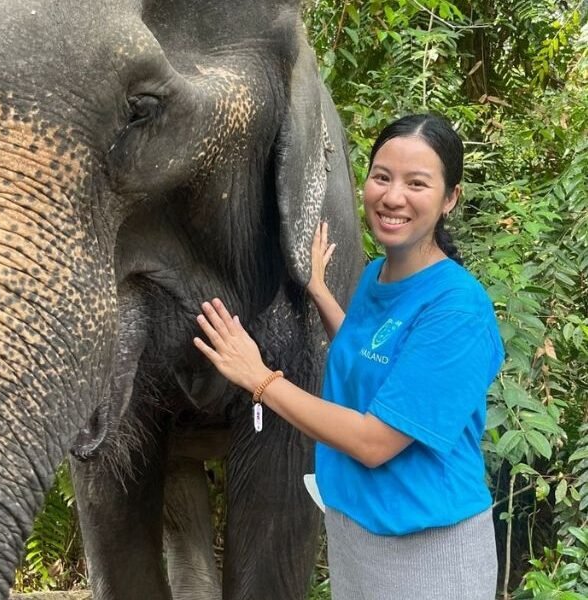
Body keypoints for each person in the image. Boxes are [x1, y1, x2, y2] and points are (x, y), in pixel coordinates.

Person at [193, 113, 504, 600]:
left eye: (416, 183)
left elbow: (373, 442)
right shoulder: (378, 275)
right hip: (356, 531)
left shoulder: (457, 310)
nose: (393, 196)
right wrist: (318, 290)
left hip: (429, 550)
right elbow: (368, 356)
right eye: (382, 177)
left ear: (450, 199)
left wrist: (259, 378)